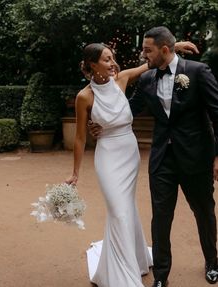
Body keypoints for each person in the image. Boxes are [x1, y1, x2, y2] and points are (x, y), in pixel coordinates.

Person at [90, 26, 218, 287]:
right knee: (160, 217)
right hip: (162, 160)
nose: (143, 55)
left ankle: (213, 263)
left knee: (204, 212)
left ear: (164, 50)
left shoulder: (197, 72)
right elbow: (127, 110)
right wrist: (102, 123)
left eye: (147, 50)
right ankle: (161, 276)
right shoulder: (148, 79)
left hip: (196, 158)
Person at [66, 39, 199, 287]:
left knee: (126, 209)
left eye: (112, 57)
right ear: (92, 65)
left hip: (129, 152)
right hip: (107, 156)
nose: (113, 63)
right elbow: (80, 138)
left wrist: (174, 44)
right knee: (118, 211)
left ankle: (134, 259)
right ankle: (122, 275)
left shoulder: (123, 78)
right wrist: (75, 173)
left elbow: (151, 62)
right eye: (106, 59)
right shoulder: (84, 97)